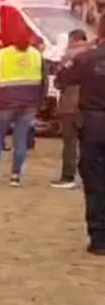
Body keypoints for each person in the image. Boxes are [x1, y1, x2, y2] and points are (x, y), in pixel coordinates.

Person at [56, 19, 105, 255]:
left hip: (93, 123)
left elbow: (62, 79)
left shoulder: (86, 58)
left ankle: (99, 238)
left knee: (94, 182)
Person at [0, 27, 46, 187]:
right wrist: (39, 102)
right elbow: (44, 82)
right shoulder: (37, 56)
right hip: (28, 105)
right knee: (21, 141)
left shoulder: (2, 54)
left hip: (4, 103)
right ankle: (15, 176)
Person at [51, 29, 90, 189]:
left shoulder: (69, 56)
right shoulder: (94, 54)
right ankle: (89, 176)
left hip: (70, 103)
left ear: (72, 39)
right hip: (91, 105)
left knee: (70, 143)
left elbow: (59, 81)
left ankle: (68, 176)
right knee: (89, 144)